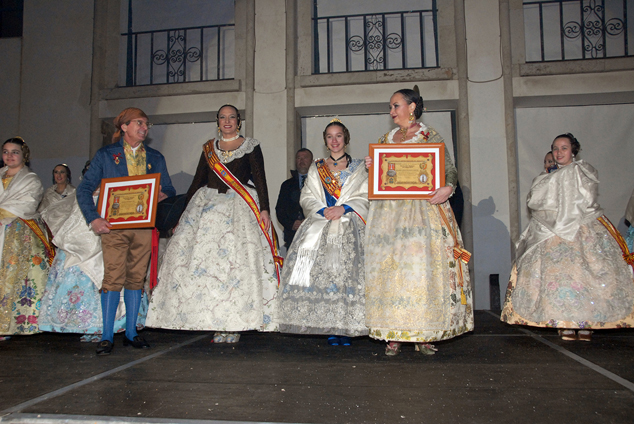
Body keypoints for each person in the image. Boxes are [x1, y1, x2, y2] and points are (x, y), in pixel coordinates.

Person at [145, 104, 281, 343]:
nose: (227, 121)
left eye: (232, 117)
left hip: (239, 209)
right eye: (223, 117)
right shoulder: (209, 148)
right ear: (217, 121)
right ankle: (212, 321)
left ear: (238, 121)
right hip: (207, 210)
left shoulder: (250, 146)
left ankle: (234, 323)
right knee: (207, 267)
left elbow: (261, 178)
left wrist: (264, 209)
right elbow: (197, 181)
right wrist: (181, 216)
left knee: (235, 266)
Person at [364, 88, 474, 356]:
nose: (391, 111)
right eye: (390, 107)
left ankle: (424, 333)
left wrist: (448, 187)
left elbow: (449, 169)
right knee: (391, 271)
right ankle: (393, 332)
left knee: (421, 270)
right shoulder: (385, 139)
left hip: (423, 212)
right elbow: (382, 178)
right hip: (390, 215)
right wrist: (372, 166)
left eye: (396, 105)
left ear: (412, 107)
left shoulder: (429, 136)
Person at [501, 133, 634, 341]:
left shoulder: (583, 170)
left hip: (581, 227)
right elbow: (535, 201)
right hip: (551, 230)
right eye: (555, 148)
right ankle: (565, 322)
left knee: (586, 274)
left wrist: (568, 214)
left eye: (564, 148)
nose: (559, 152)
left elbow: (587, 198)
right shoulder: (545, 177)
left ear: (573, 150)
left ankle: (587, 323)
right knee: (559, 276)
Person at [77, 107, 175, 355]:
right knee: (112, 277)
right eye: (139, 123)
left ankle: (131, 332)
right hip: (113, 228)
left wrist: (163, 194)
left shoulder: (155, 157)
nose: (144, 127)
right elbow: (84, 189)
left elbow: (169, 189)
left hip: (143, 227)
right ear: (124, 127)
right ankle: (107, 335)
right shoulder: (106, 155)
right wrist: (94, 219)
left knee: (136, 278)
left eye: (146, 123)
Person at [276, 120, 368, 345]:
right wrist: (322, 209)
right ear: (325, 141)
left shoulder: (359, 167)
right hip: (321, 225)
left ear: (346, 138)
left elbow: (366, 195)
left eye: (338, 136)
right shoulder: (317, 167)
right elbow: (307, 196)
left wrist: (344, 208)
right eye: (329, 136)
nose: (334, 141)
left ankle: (346, 326)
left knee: (345, 278)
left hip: (349, 227)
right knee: (324, 279)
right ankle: (329, 325)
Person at [39, 162, 149, 341]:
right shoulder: (84, 195)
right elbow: (75, 221)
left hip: (111, 243)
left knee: (119, 275)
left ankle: (113, 327)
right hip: (84, 243)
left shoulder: (115, 193)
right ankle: (88, 325)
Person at [0, 137, 53, 339]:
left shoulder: (31, 179)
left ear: (24, 155)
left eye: (15, 152)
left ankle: (10, 324)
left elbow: (27, 205)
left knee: (15, 274)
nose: (9, 156)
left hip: (19, 231)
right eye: (6, 151)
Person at [276, 148, 313, 249]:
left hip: (314, 234)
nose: (301, 160)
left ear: (312, 161)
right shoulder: (287, 185)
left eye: (305, 158)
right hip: (292, 236)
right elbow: (280, 210)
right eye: (298, 158)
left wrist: (309, 221)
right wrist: (292, 224)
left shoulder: (319, 184)